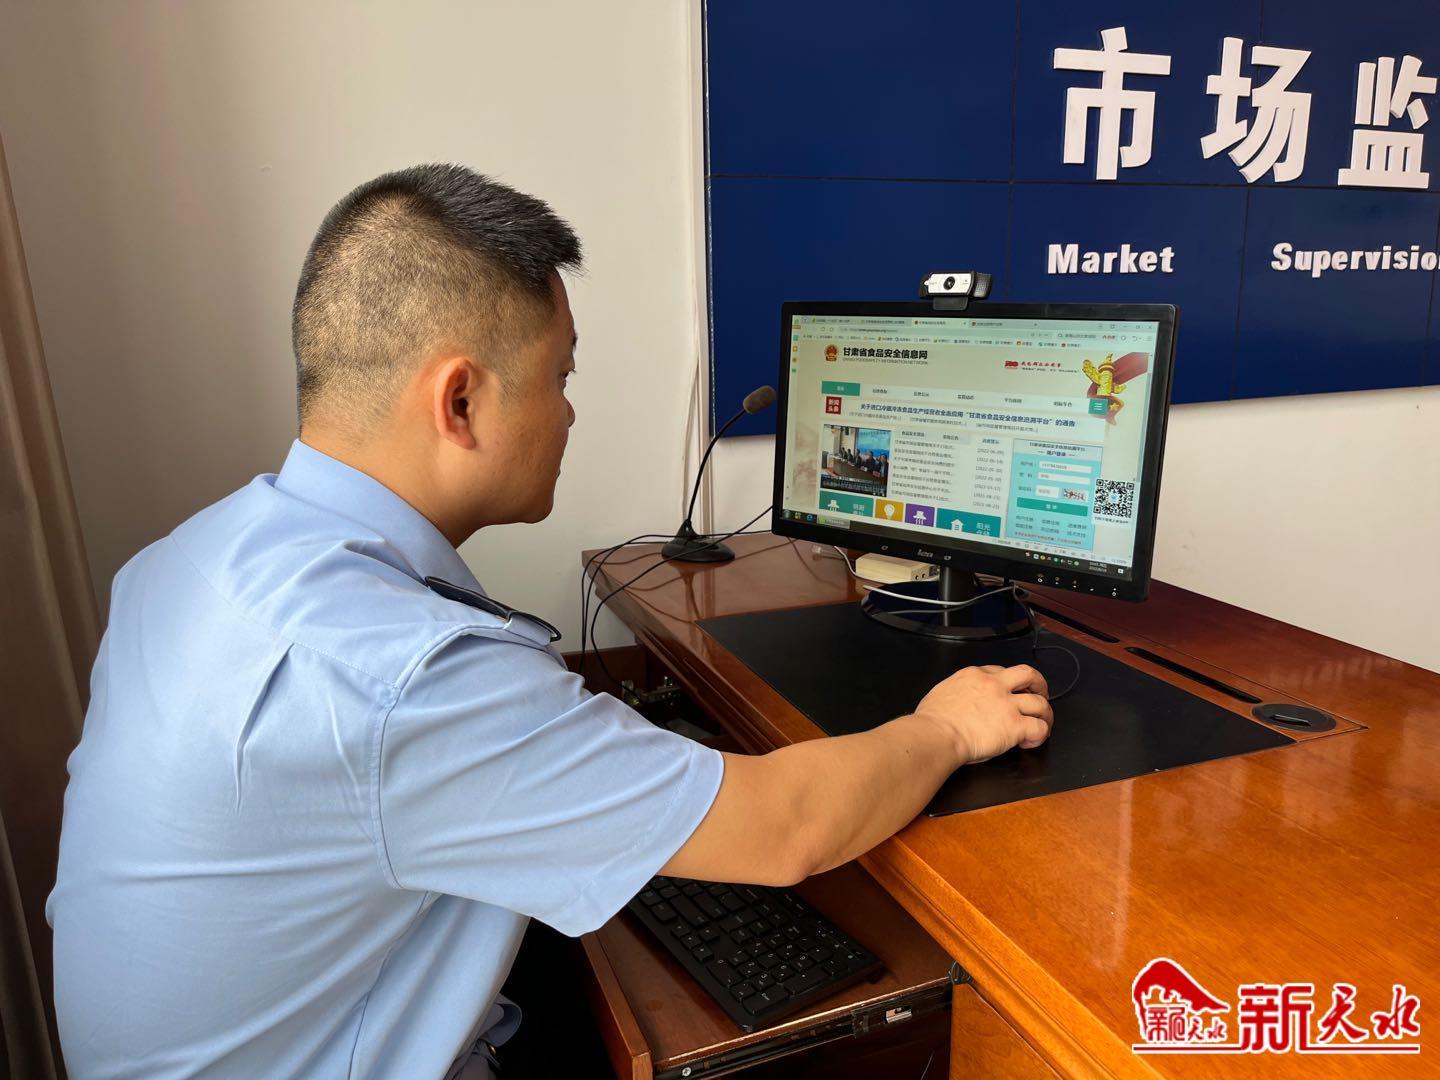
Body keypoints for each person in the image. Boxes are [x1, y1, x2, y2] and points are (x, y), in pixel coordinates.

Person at [47, 164, 1052, 1079]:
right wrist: (948, 727)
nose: (569, 413)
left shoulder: (190, 561)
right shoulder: (403, 677)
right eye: (560, 377)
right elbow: (785, 829)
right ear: (460, 401)